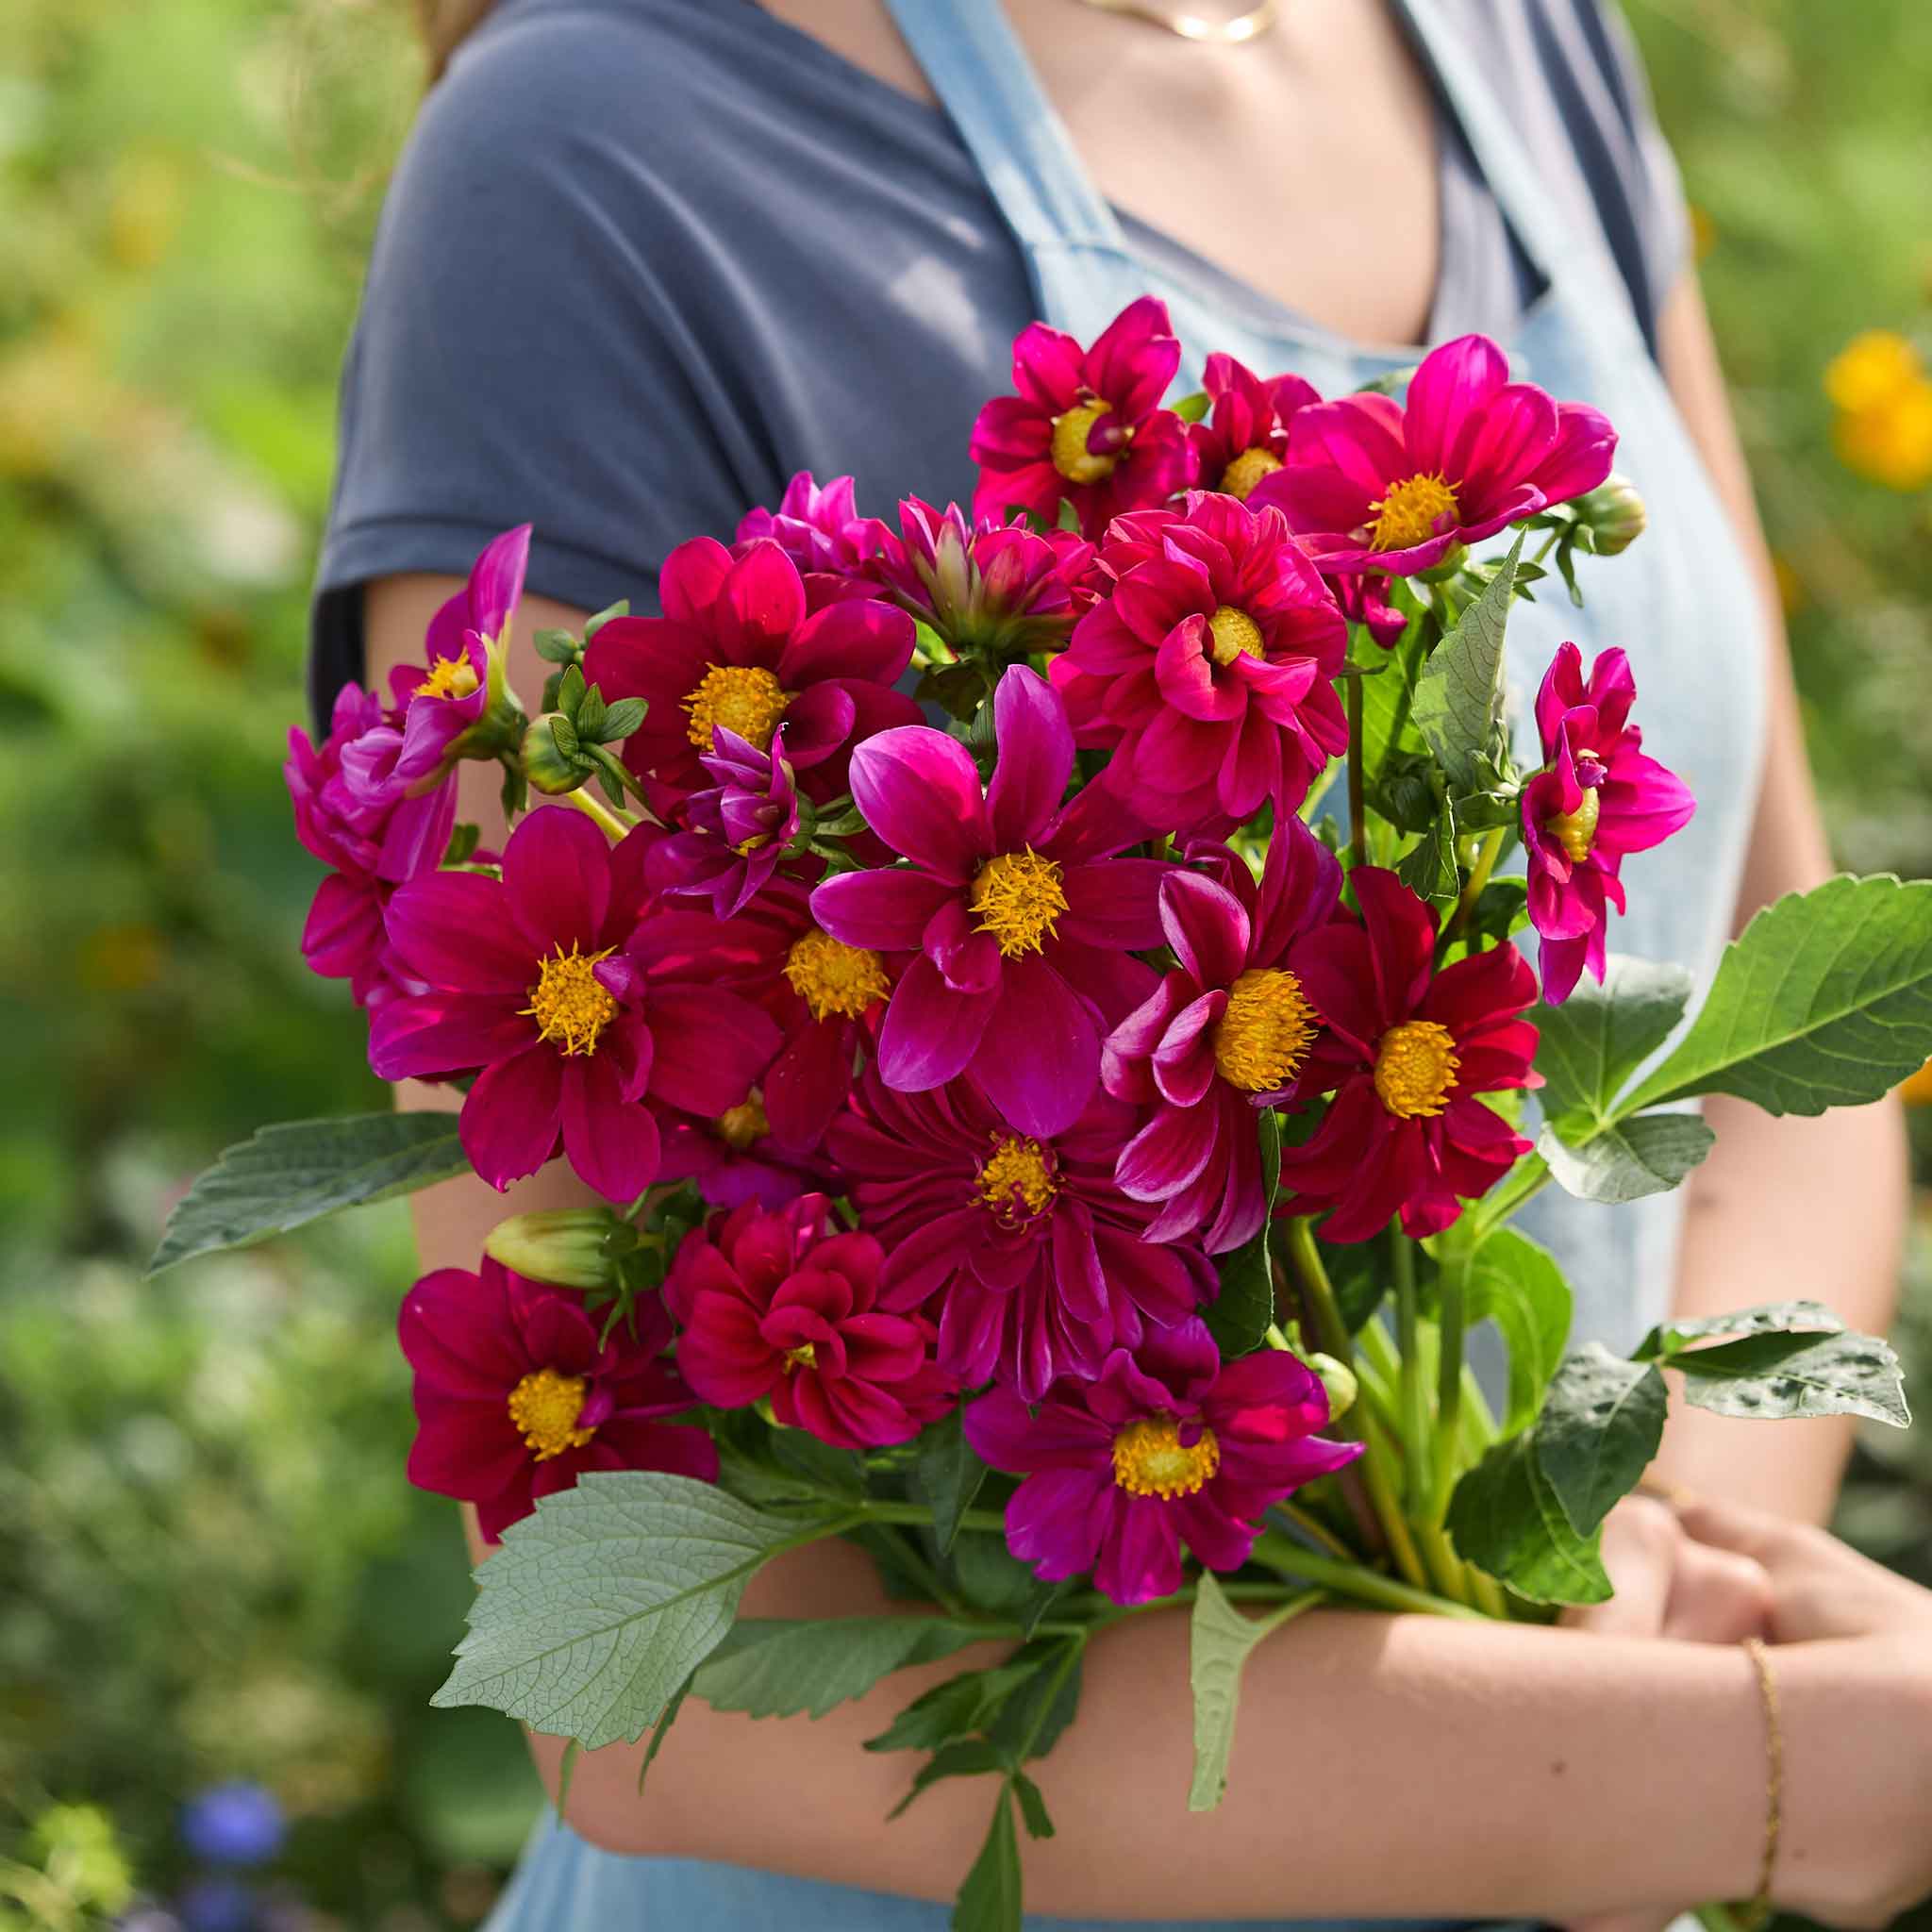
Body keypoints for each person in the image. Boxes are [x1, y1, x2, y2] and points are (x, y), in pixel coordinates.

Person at [311, 2, 1928, 1925]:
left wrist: (1639, 1591)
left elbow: (1760, 1034)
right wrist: (1744, 1768)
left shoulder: (1515, 35)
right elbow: (644, 1673)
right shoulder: (593, 151)